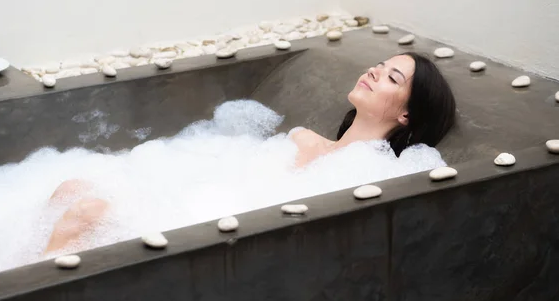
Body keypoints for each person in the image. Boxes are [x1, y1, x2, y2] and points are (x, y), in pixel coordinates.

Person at [44, 52, 456, 254]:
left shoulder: (372, 175)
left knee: (89, 212)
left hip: (220, 243)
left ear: (406, 113)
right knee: (72, 187)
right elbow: (222, 183)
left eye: (391, 77)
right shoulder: (302, 140)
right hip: (193, 211)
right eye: (379, 65)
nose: (374, 71)